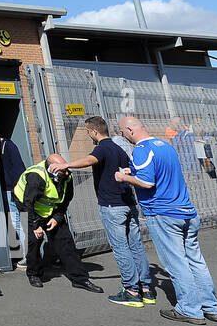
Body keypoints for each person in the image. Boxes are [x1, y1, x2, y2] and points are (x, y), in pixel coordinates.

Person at [115, 116, 217, 324]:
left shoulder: (141, 150)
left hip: (163, 213)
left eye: (121, 132)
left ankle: (190, 309)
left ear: (129, 129)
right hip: (186, 211)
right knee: (196, 261)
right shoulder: (165, 146)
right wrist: (133, 171)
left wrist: (124, 177)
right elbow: (161, 172)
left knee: (176, 263)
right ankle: (210, 306)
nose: (121, 135)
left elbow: (146, 183)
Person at [57, 116, 155, 307]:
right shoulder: (120, 149)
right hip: (129, 204)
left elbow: (90, 160)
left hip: (112, 207)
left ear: (94, 131)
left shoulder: (101, 148)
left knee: (121, 248)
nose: (88, 135)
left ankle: (132, 291)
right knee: (135, 246)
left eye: (87, 132)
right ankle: (146, 289)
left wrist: (66, 164)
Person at [13, 155, 102, 292]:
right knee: (34, 241)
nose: (66, 172)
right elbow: (27, 204)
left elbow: (65, 201)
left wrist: (57, 218)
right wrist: (35, 226)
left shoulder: (67, 176)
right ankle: (34, 273)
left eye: (66, 168)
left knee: (65, 242)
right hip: (30, 211)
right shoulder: (36, 177)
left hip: (52, 212)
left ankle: (80, 279)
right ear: (52, 169)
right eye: (62, 170)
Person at [0, 132, 27, 262]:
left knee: (17, 222)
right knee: (16, 222)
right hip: (9, 189)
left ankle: (26, 255)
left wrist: (16, 189)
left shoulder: (8, 145)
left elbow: (19, 168)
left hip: (12, 189)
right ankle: (26, 254)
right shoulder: (1, 146)